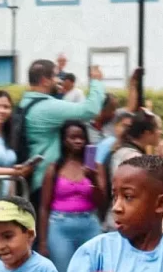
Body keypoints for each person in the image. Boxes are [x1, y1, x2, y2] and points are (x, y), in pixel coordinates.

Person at [39, 120, 104, 272]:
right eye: (72, 137)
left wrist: (93, 178)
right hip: (60, 226)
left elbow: (102, 201)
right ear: (63, 140)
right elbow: (44, 206)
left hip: (89, 224)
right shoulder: (54, 168)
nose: (77, 141)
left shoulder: (95, 166)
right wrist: (42, 240)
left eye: (81, 137)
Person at [18, 60, 106, 213]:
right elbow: (90, 110)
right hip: (45, 181)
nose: (59, 80)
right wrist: (96, 82)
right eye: (55, 76)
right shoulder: (47, 107)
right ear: (45, 81)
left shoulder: (25, 103)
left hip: (33, 180)